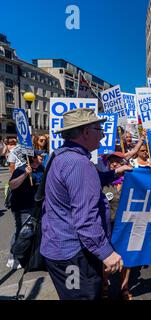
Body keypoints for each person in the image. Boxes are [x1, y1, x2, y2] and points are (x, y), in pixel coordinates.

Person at [40, 108, 131, 300]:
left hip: (62, 249)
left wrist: (115, 172)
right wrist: (106, 252)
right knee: (82, 297)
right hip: (72, 255)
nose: (104, 134)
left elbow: (87, 182)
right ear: (86, 132)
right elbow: (85, 219)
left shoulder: (63, 156)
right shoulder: (78, 163)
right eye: (99, 129)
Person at [6, 150, 45, 269]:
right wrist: (25, 175)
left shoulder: (41, 169)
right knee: (21, 232)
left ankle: (25, 255)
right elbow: (12, 185)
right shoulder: (21, 169)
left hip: (35, 206)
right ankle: (13, 256)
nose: (42, 158)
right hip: (21, 207)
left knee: (30, 232)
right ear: (33, 158)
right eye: (39, 156)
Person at [102, 152, 133, 300]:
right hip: (108, 227)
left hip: (127, 226)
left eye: (118, 161)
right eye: (111, 162)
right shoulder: (104, 183)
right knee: (106, 259)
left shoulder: (132, 181)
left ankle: (124, 288)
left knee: (126, 259)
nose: (114, 164)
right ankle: (105, 288)